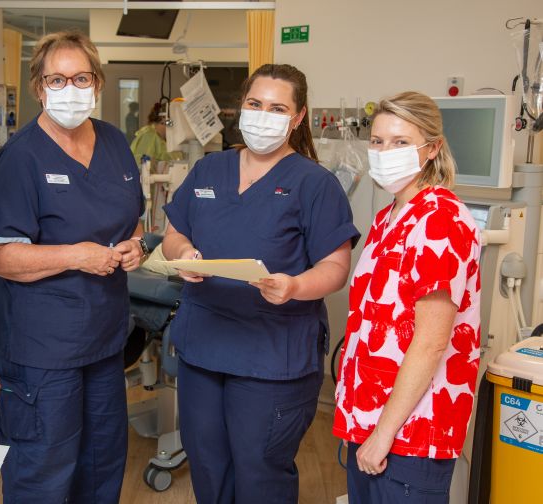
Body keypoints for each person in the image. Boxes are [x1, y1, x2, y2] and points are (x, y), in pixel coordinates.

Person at [162, 63, 360, 504]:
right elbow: (175, 233)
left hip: (272, 353)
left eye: (277, 107)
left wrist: (294, 286)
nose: (262, 114)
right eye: (255, 104)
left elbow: (335, 266)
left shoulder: (314, 184)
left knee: (259, 473)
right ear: (241, 107)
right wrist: (184, 256)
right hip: (204, 346)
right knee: (207, 463)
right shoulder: (209, 170)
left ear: (297, 117)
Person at [0, 30, 146, 504]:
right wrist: (76, 254)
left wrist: (134, 244)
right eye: (57, 79)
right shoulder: (21, 157)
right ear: (39, 86)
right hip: (40, 351)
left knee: (101, 466)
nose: (70, 89)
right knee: (44, 473)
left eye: (81, 77)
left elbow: (132, 217)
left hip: (103, 341)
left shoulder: (114, 143)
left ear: (97, 82)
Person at [333, 91, 482, 503]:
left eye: (400, 142)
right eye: (377, 141)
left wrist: (383, 435)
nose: (384, 152)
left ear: (432, 148)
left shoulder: (441, 220)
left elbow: (431, 341)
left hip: (412, 430)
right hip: (372, 418)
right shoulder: (389, 218)